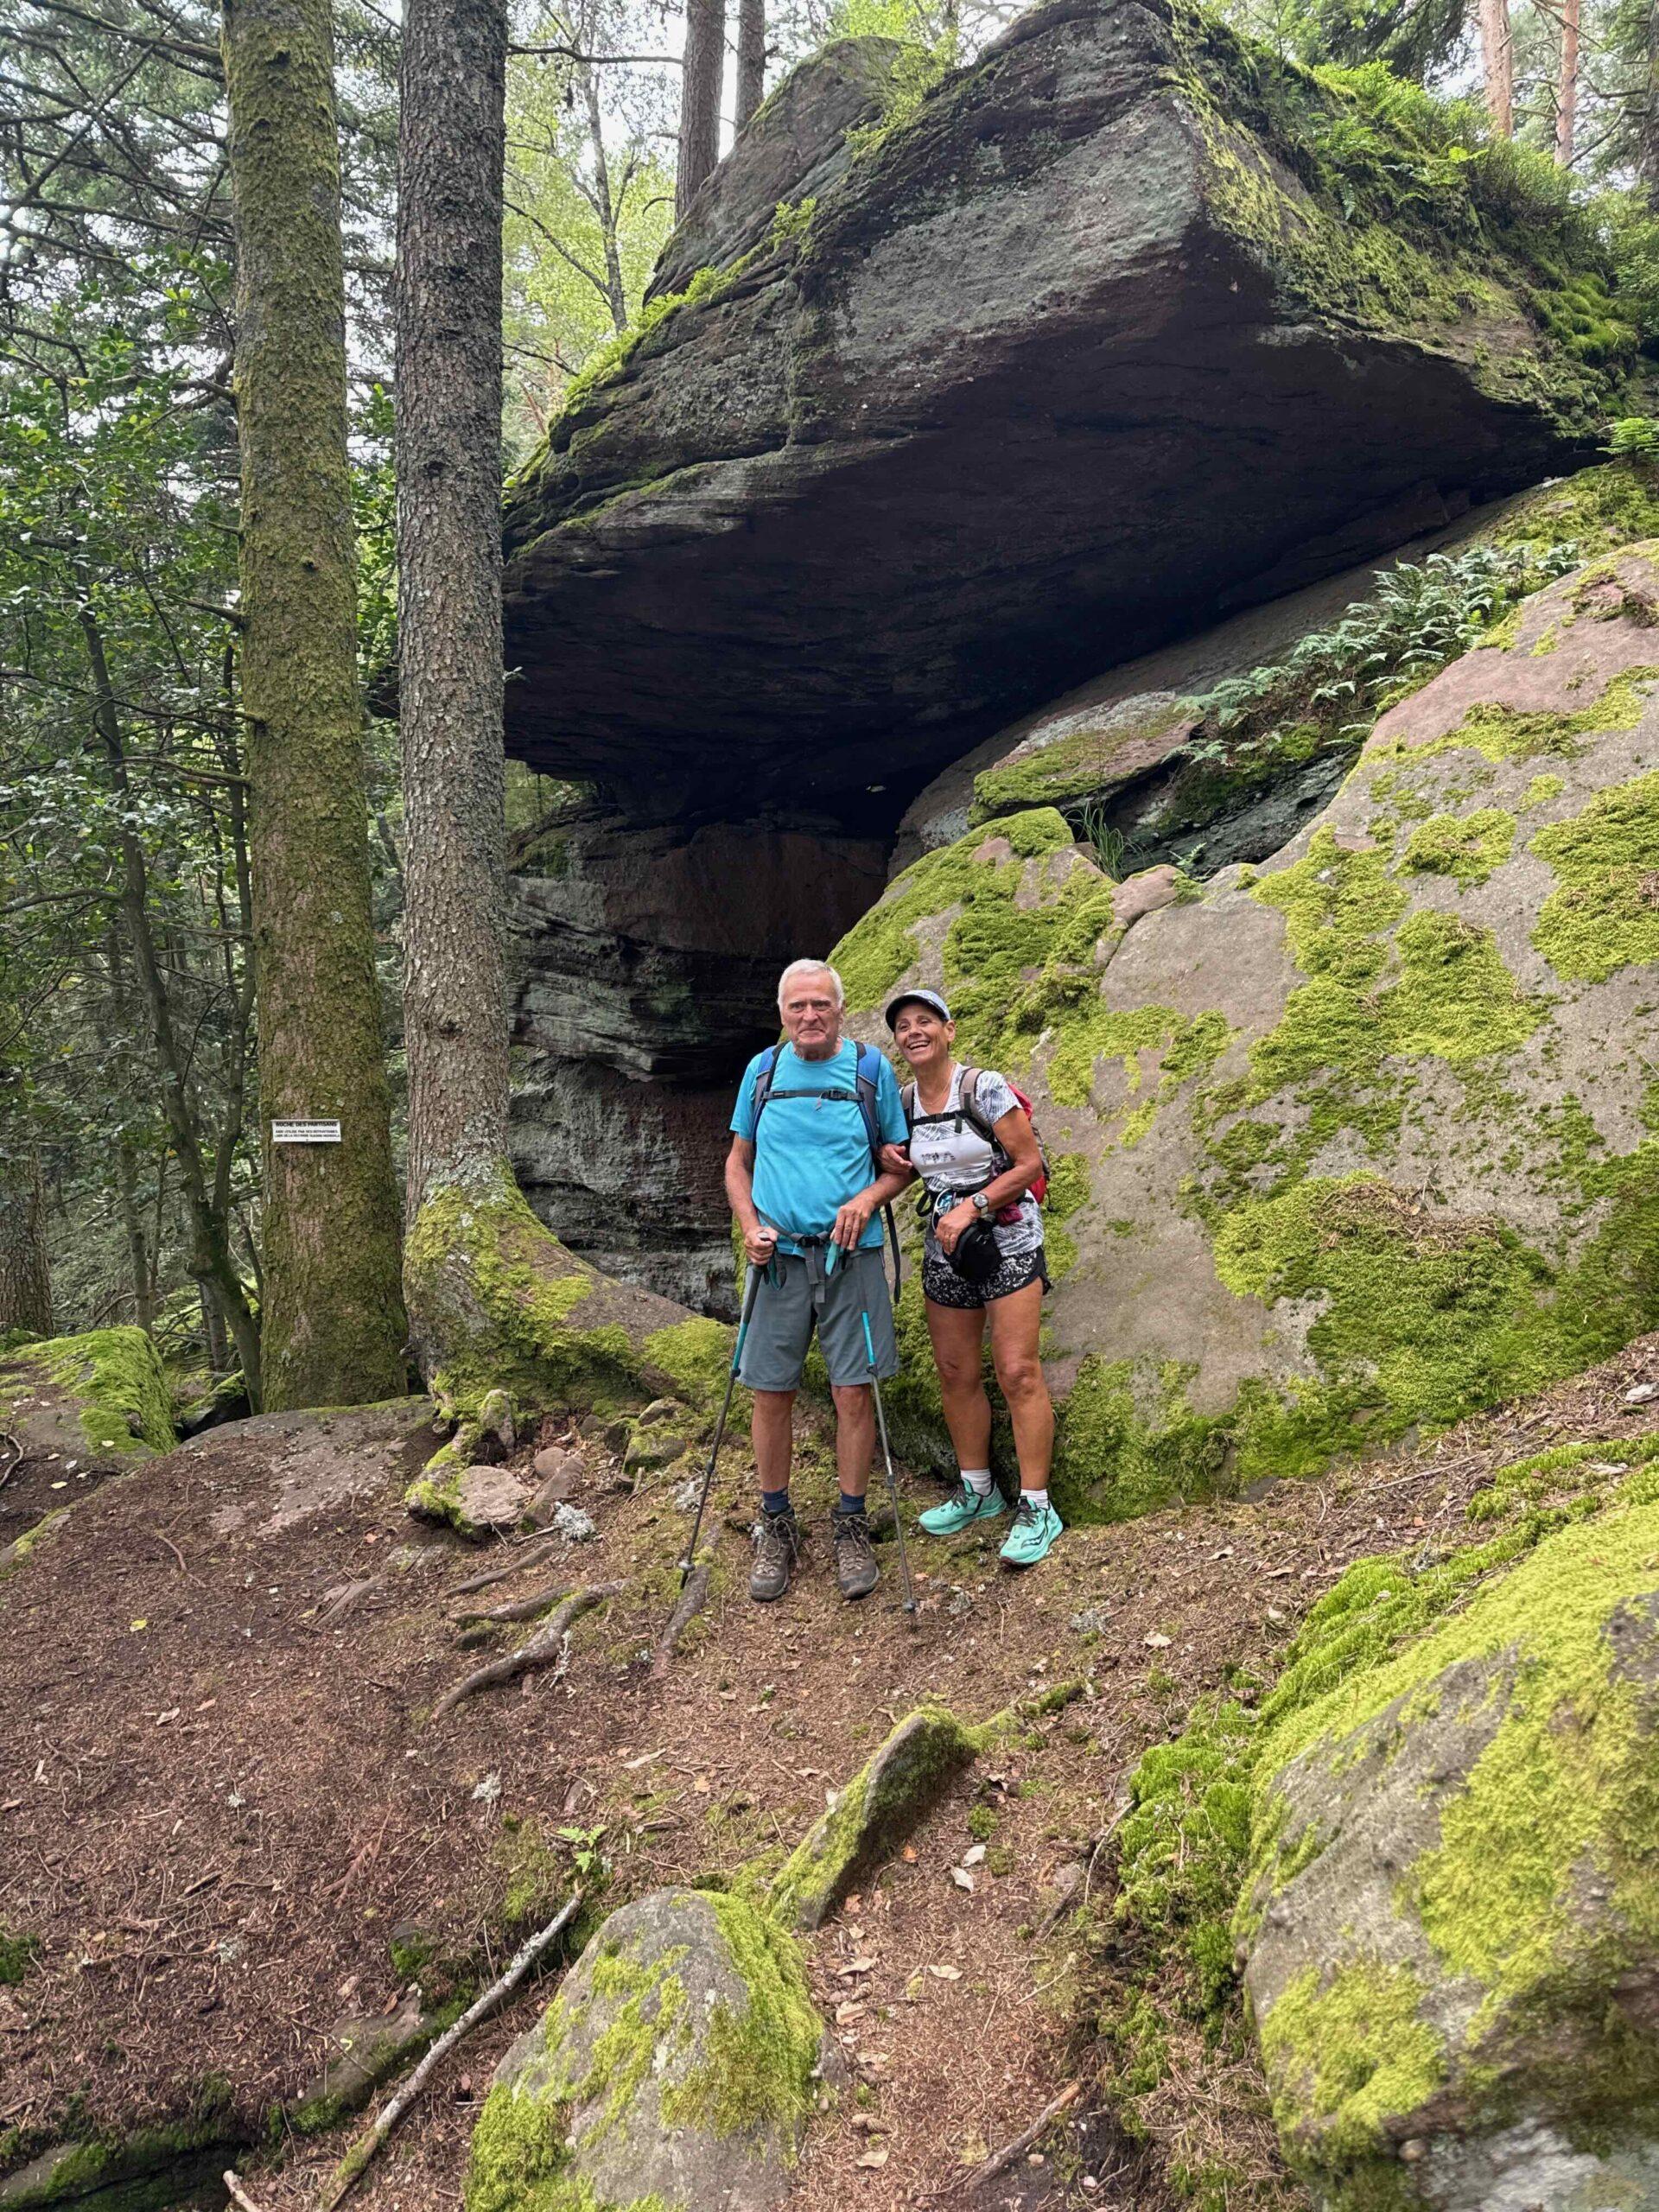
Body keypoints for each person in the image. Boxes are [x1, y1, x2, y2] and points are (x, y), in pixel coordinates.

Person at [726, 959, 913, 1605]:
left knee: (853, 1392)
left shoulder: (870, 1071)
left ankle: (851, 1521)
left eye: (821, 1005)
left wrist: (867, 1199)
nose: (810, 1016)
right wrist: (750, 1226)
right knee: (769, 1391)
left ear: (840, 1009)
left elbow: (900, 1164)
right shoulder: (762, 1071)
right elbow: (737, 1163)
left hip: (851, 1258)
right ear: (782, 1013)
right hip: (776, 1260)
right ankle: (775, 1520)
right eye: (797, 1006)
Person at [880, 988, 1063, 1567]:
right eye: (904, 1026)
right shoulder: (904, 1101)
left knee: (1017, 1371)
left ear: (949, 1030)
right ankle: (978, 1491)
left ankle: (1038, 1507)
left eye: (925, 1021)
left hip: (1007, 1241)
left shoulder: (983, 1087)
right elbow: (909, 1166)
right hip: (948, 1251)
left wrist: (974, 1205)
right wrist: (887, 1163)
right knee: (956, 1371)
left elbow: (1030, 1164)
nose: (914, 1032)